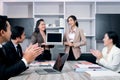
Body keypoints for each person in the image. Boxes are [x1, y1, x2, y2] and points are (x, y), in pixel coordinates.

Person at [0, 15, 43, 80]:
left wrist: (27, 59)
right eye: (9, 30)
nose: (11, 33)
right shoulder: (5, 48)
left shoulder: (3, 48)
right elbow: (4, 73)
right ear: (2, 32)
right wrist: (25, 60)